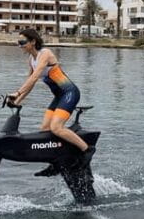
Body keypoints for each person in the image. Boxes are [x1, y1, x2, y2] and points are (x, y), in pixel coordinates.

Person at [7, 29, 95, 175]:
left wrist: (17, 92)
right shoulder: (31, 60)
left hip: (69, 93)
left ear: (33, 41)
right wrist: (17, 100)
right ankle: (56, 162)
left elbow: (34, 78)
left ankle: (87, 150)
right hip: (59, 96)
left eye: (22, 42)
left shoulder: (45, 54)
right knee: (45, 129)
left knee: (56, 127)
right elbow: (30, 83)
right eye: (18, 43)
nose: (20, 46)